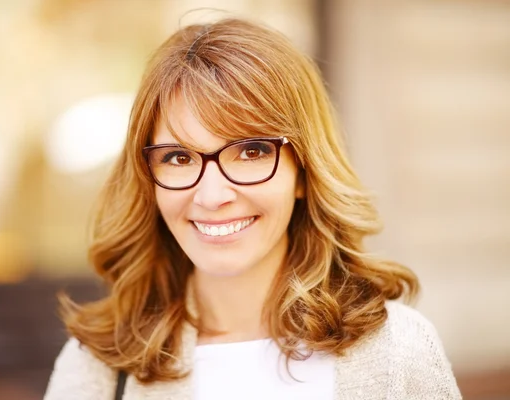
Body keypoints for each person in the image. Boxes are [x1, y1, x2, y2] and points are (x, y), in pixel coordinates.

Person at [44, 17, 461, 400]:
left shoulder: (396, 351)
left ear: (303, 171)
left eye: (251, 151)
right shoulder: (98, 368)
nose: (212, 196)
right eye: (178, 157)